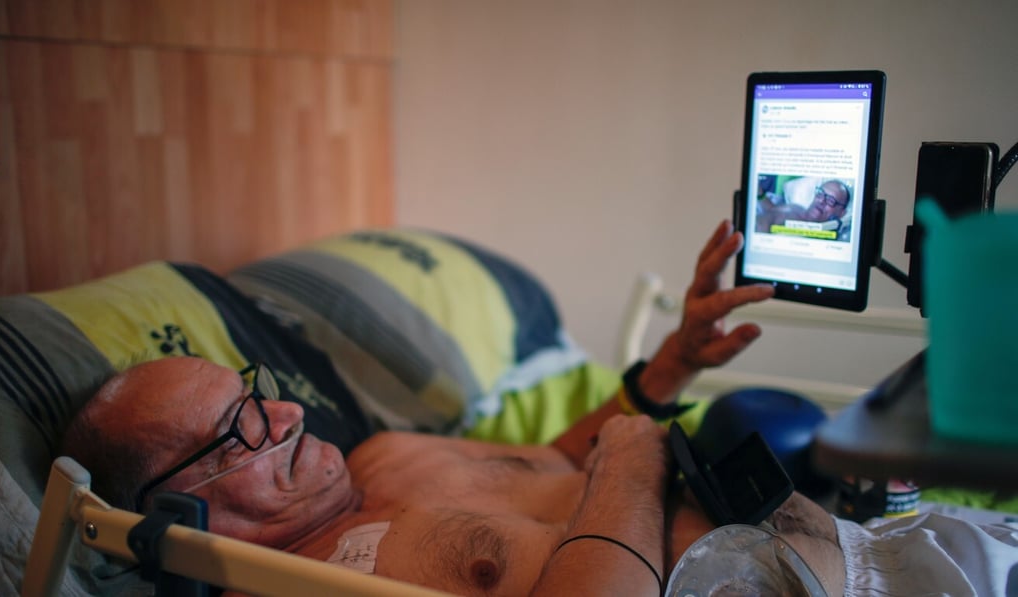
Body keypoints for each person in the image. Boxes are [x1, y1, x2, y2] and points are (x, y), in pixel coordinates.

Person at [63, 220, 1017, 596]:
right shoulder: (296, 587)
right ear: (175, 511)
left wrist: (668, 369)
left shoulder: (386, 456)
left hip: (900, 551)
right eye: (238, 431)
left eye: (256, 395)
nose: (286, 419)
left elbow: (553, 464)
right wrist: (636, 457)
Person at [756, 179, 852, 241]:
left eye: (831, 200)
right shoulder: (797, 208)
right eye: (820, 193)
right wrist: (760, 195)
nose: (822, 200)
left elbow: (769, 219)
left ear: (841, 213)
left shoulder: (821, 235)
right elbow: (772, 210)